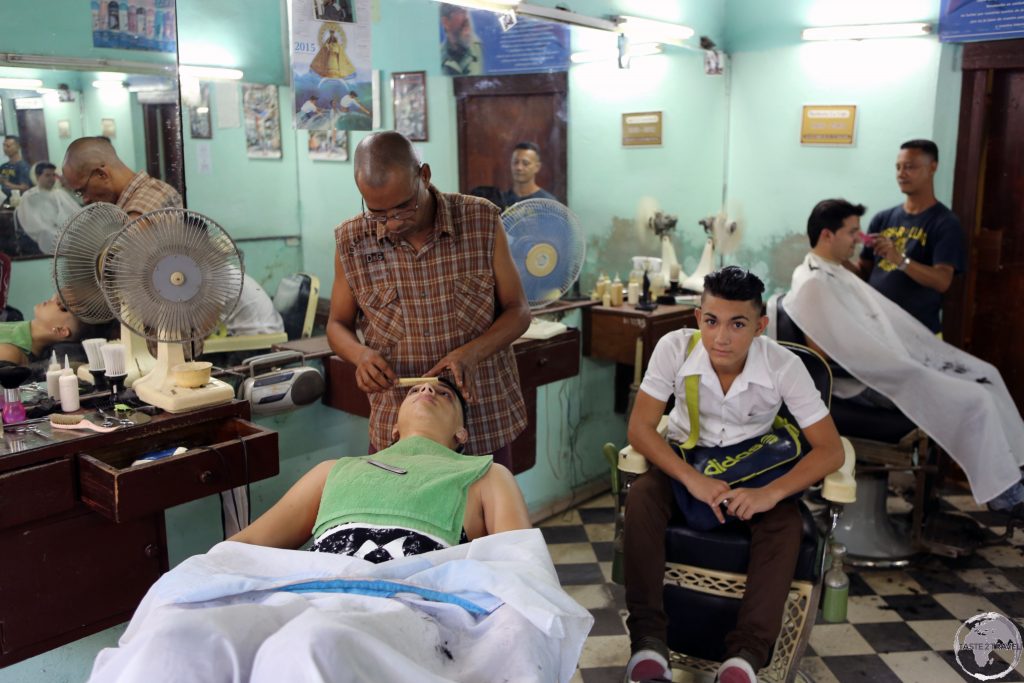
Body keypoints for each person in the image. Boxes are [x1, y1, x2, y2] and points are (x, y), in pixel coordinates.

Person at [623, 266, 843, 683]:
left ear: (760, 326)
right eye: (711, 321)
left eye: (737, 324)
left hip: (754, 470)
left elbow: (830, 450)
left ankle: (744, 657)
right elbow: (639, 429)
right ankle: (649, 644)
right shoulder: (675, 348)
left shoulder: (783, 366)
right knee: (643, 496)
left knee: (785, 521)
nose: (721, 337)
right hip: (687, 465)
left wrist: (769, 494)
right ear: (698, 318)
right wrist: (691, 479)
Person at [787, 198, 1024, 515]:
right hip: (860, 382)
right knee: (975, 398)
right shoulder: (812, 281)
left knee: (985, 373)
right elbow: (820, 357)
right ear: (828, 235)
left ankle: (1015, 468)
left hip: (882, 367)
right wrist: (889, 362)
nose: (858, 239)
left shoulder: (834, 272)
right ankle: (1004, 494)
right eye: (852, 232)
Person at [327, 131, 529, 468]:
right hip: (400, 425)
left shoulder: (479, 220)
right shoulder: (352, 241)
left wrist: (471, 353)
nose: (391, 223)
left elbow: (519, 311)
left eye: (403, 207)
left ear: (424, 175)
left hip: (482, 418)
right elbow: (337, 324)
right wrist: (360, 356)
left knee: (489, 518)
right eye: (378, 212)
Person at [231, 378, 531, 555]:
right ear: (395, 430)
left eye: (444, 394)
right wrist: (201, 569)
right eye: (415, 391)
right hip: (320, 597)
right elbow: (251, 541)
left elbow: (521, 567)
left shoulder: (485, 475)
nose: (427, 390)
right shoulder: (333, 471)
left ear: (461, 433)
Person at [857, 139, 965, 334]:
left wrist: (900, 260)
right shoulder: (882, 218)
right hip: (877, 329)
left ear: (932, 167)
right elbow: (863, 272)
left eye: (910, 167)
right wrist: (834, 256)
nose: (901, 174)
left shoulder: (945, 223)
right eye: (898, 167)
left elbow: (942, 281)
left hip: (918, 334)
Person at [61, 136, 181, 218]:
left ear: (102, 174)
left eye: (82, 190)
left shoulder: (141, 210)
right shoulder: (154, 189)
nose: (85, 200)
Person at [0, 293, 99, 366]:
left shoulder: (11, 353)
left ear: (61, 331)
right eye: (58, 298)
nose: (54, 299)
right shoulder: (13, 319)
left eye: (62, 307)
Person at [14, 162, 82, 254]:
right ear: (38, 177)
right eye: (47, 175)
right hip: (47, 235)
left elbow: (79, 215)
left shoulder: (60, 193)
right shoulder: (30, 196)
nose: (51, 179)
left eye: (53, 175)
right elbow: (35, 225)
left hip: (70, 234)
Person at [503, 142, 557, 207]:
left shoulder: (547, 203)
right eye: (515, 162)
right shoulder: (501, 200)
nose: (519, 167)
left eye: (525, 163)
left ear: (537, 167)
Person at [440, 4, 482, 76]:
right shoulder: (439, 58)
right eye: (461, 11)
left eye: (467, 11)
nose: (467, 17)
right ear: (446, 22)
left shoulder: (480, 48)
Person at [1, 136, 33, 203]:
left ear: (18, 147)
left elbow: (25, 188)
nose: (5, 148)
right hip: (5, 203)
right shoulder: (3, 166)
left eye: (8, 146)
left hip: (19, 203)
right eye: (4, 145)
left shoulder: (23, 166)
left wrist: (6, 183)